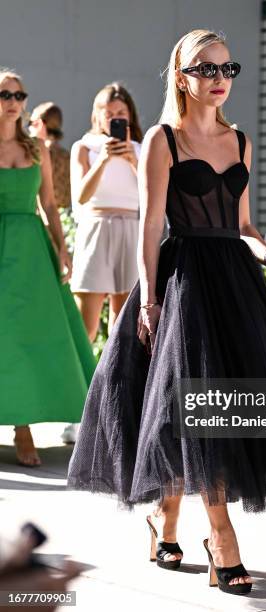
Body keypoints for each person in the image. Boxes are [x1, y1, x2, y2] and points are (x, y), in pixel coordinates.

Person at [68, 30, 266, 595]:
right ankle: (221, 537)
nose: (220, 79)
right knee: (193, 409)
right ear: (182, 75)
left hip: (236, 286)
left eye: (228, 68)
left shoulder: (240, 140)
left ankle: (165, 522)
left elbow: (242, 226)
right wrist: (148, 299)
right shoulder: (161, 139)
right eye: (207, 68)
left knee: (213, 409)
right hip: (183, 284)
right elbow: (151, 226)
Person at [0, 69, 96, 467]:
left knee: (28, 334)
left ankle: (24, 429)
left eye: (20, 95)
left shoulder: (36, 147)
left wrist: (62, 250)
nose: (13, 102)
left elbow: (50, 205)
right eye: (5, 94)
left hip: (31, 251)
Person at [70, 82, 143, 341]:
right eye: (108, 113)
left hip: (131, 230)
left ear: (130, 116)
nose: (115, 119)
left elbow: (152, 195)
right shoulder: (84, 147)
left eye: (120, 114)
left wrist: (133, 162)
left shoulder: (141, 148)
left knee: (122, 324)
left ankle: (114, 380)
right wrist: (102, 160)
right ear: (97, 114)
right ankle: (80, 380)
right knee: (85, 326)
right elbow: (80, 196)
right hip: (96, 227)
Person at [29, 102, 71, 208]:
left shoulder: (39, 155)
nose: (29, 128)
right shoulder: (67, 155)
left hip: (44, 217)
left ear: (40, 124)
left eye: (31, 123)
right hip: (65, 218)